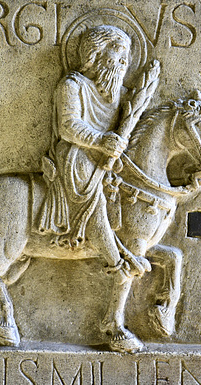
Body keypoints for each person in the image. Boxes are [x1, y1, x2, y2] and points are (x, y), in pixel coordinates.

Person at [38, 25, 143, 275]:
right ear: (96, 53)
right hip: (76, 155)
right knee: (90, 189)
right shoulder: (72, 84)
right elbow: (68, 126)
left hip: (110, 157)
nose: (124, 62)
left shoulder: (122, 95)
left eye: (126, 58)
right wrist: (100, 141)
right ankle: (115, 263)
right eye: (118, 53)